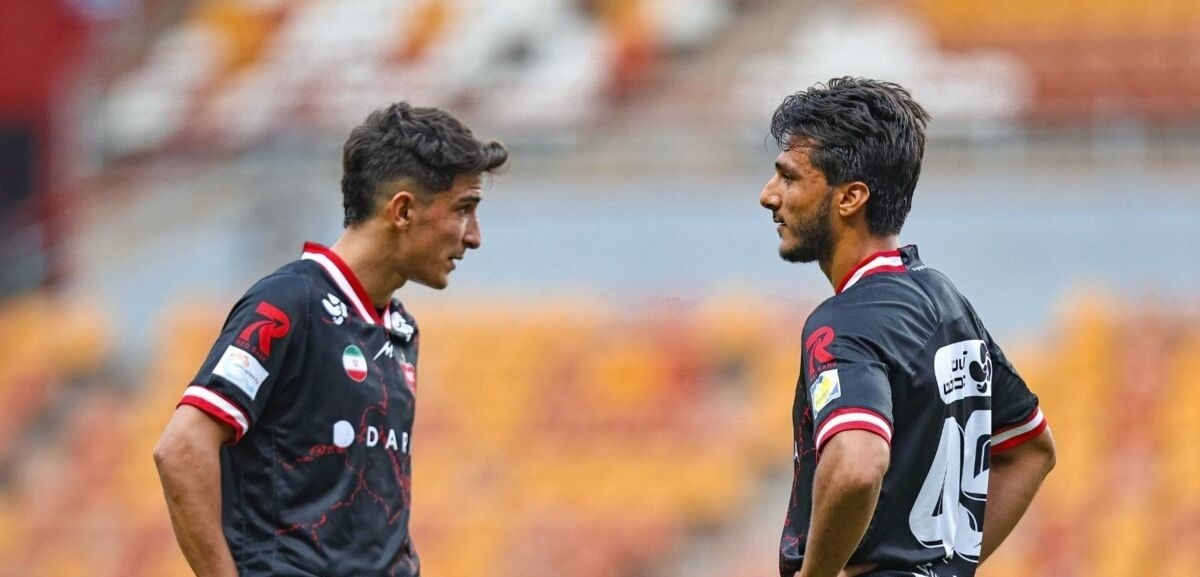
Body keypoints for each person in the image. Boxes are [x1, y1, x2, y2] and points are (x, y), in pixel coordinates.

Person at [153, 102, 507, 577]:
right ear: (403, 210)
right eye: (464, 209)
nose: (474, 237)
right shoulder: (289, 305)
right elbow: (181, 449)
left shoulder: (400, 329)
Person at [759, 77, 1056, 577]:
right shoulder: (947, 301)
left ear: (850, 197)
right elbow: (1030, 451)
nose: (768, 196)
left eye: (788, 177)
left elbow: (857, 466)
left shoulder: (843, 323)